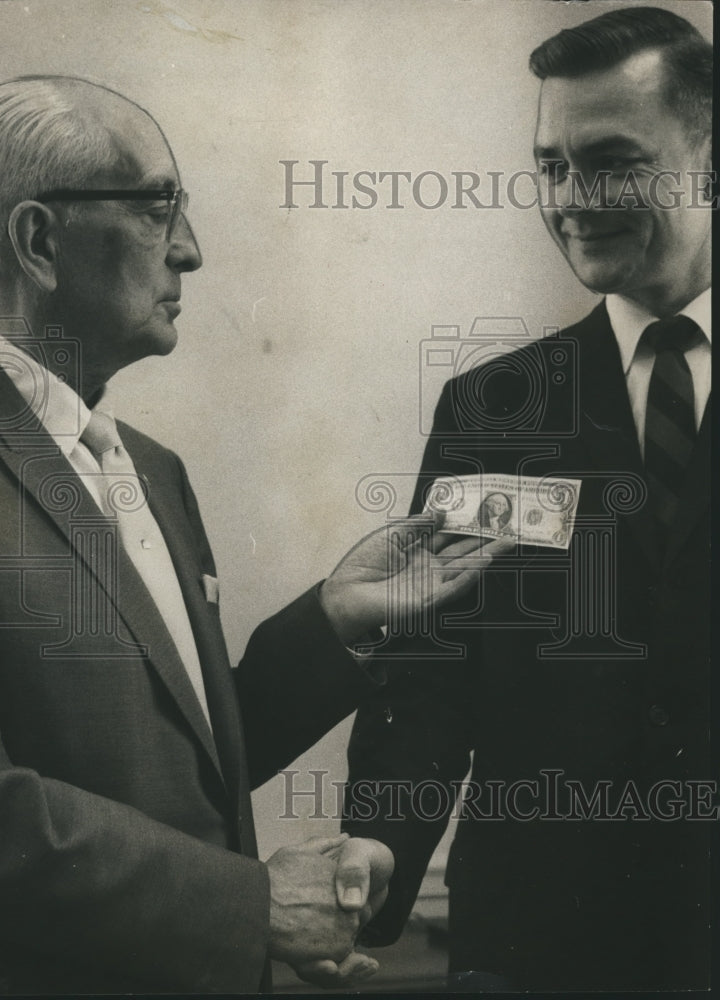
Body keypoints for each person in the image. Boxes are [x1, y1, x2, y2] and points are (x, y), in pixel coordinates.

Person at [0, 74, 506, 995]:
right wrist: (251, 907)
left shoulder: (152, 470)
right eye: (159, 208)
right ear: (39, 241)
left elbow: (176, 765)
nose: (189, 251)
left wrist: (335, 622)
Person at [344, 6, 712, 992]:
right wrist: (375, 852)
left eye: (611, 159)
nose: (572, 198)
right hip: (539, 950)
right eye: (550, 165)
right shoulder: (499, 410)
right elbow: (430, 671)